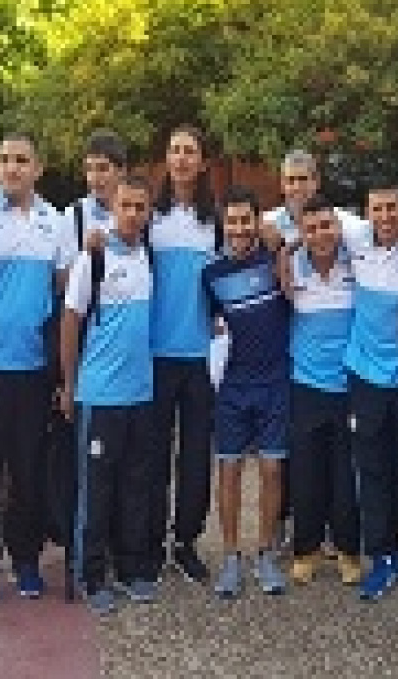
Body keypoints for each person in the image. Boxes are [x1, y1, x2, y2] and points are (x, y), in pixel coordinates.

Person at [0, 131, 70, 605]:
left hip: (32, 371)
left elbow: (64, 291)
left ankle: (26, 561)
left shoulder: (56, 222)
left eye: (22, 160)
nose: (11, 168)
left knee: (28, 474)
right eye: (4, 159)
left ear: (38, 168)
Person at [59, 175, 156, 616]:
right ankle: (91, 574)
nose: (133, 214)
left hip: (140, 394)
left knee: (135, 487)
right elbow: (70, 321)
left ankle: (131, 569)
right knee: (95, 491)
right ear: (113, 209)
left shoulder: (148, 254)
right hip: (99, 395)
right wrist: (69, 384)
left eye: (140, 207)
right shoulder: (92, 258)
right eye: (126, 206)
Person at [202, 187, 290, 598]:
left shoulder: (275, 258)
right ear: (223, 225)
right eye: (231, 221)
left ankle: (265, 553)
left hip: (275, 383)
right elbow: (211, 325)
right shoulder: (211, 274)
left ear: (258, 221)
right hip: (232, 387)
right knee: (230, 470)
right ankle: (231, 557)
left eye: (245, 220)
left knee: (272, 471)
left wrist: (283, 246)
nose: (238, 229)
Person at [345, 175, 398, 601]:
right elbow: (300, 216)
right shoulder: (354, 238)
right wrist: (286, 250)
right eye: (377, 208)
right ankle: (378, 556)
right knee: (372, 470)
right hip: (366, 379)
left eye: (392, 207)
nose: (385, 216)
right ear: (367, 212)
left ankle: (393, 545)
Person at [148, 125, 218, 584]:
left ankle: (186, 540)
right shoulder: (149, 216)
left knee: (195, 457)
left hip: (201, 355)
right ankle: (151, 540)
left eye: (190, 151)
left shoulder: (216, 221)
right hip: (155, 353)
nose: (181, 158)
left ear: (202, 161)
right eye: (174, 150)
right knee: (153, 455)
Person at [283, 194, 362, 587]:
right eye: (311, 229)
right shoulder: (290, 267)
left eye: (326, 226)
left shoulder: (356, 262)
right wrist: (285, 250)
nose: (320, 235)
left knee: (346, 477)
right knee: (306, 475)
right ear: (302, 232)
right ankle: (306, 549)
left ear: (338, 227)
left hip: (349, 387)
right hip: (306, 387)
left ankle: (348, 551)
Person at [63, 129, 128, 260]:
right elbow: (63, 271)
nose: (94, 177)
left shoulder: (140, 213)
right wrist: (87, 254)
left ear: (122, 170)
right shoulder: (74, 215)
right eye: (89, 169)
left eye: (102, 168)